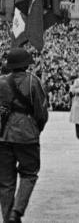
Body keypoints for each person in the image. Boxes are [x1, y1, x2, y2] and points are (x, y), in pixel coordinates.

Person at [0, 48, 49, 223]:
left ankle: (7, 219)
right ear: (26, 64)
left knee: (5, 183)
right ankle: (17, 212)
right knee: (29, 174)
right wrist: (37, 129)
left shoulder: (2, 82)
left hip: (4, 135)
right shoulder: (32, 81)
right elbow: (41, 111)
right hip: (27, 134)